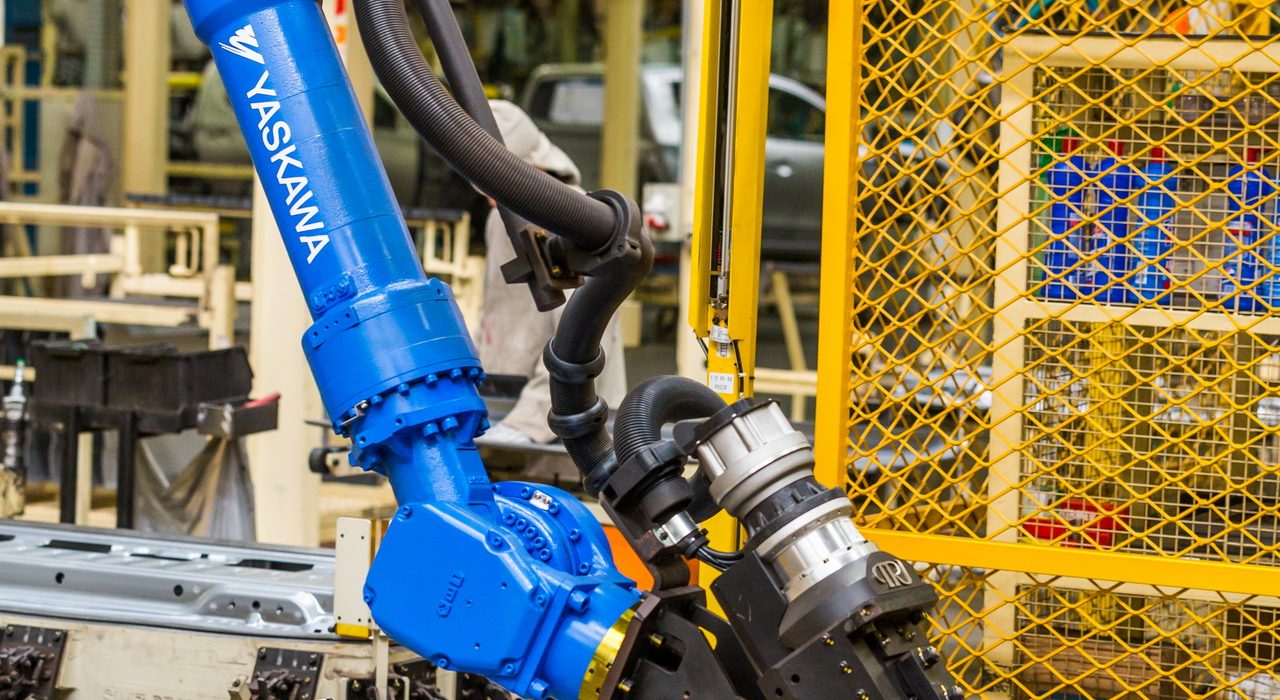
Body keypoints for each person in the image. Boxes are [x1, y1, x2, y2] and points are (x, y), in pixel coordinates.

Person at [477, 101, 627, 446]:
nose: (490, 199)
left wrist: (527, 424)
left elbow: (580, 337)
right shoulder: (501, 218)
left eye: (495, 185)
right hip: (504, 403)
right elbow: (494, 313)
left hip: (567, 417)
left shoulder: (576, 217)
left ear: (530, 167)